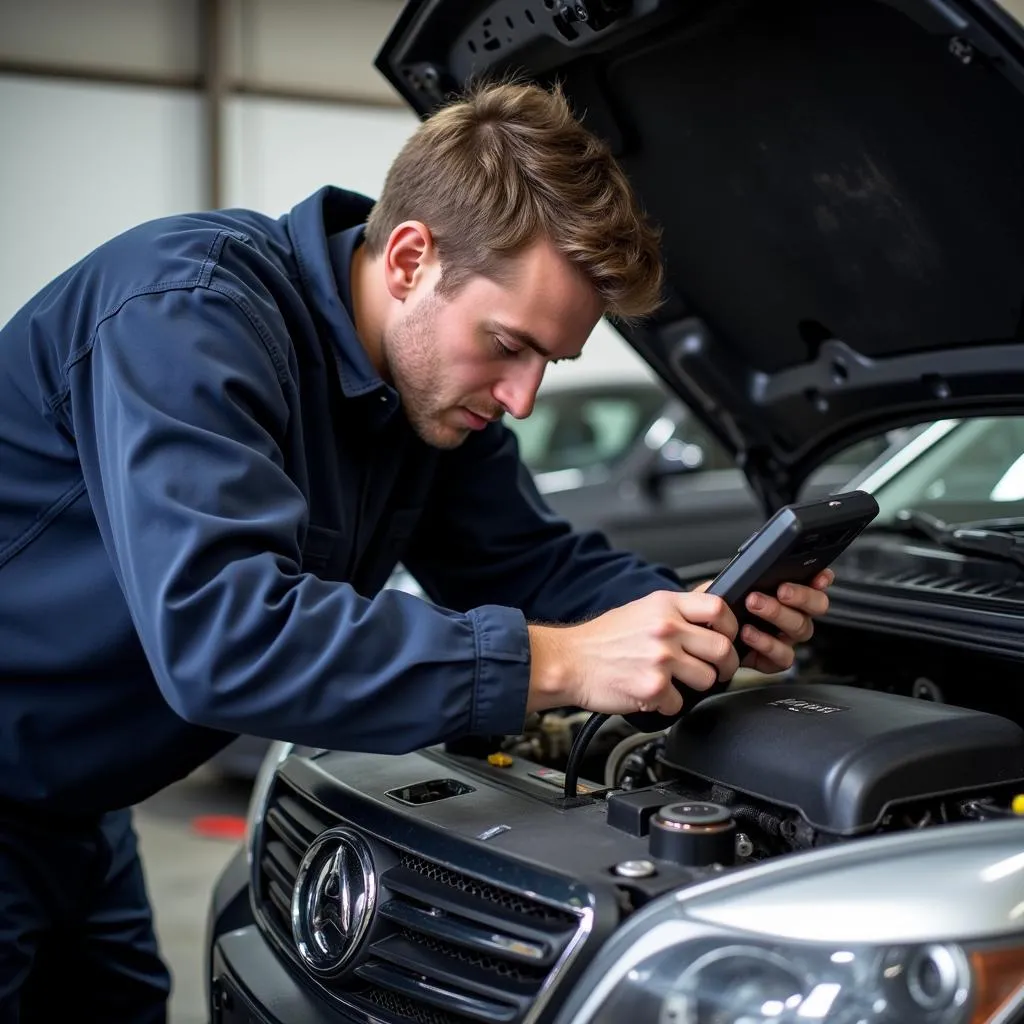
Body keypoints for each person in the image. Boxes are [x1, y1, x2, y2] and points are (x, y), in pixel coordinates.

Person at [0, 81, 831, 1020]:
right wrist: (555, 662)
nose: (519, 398)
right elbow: (227, 638)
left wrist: (697, 615)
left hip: (78, 806)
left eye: (545, 365)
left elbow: (532, 565)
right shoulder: (186, 315)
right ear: (408, 259)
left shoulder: (427, 397)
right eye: (508, 345)